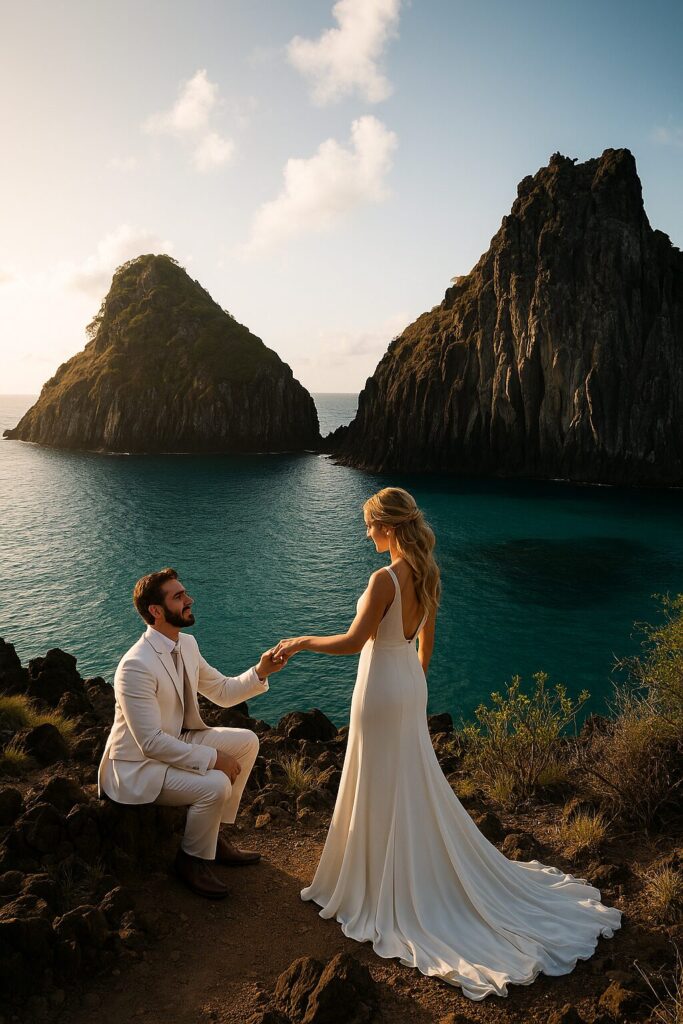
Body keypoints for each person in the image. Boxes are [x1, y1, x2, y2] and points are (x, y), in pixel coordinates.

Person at [272, 487, 622, 1001]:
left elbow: (352, 642)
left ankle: (377, 876)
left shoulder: (385, 579)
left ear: (389, 526)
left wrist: (299, 642)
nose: (367, 533)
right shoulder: (426, 571)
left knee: (378, 776)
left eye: (370, 525)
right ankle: (396, 867)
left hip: (380, 687)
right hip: (407, 683)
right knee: (407, 777)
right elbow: (425, 642)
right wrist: (413, 685)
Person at [98, 567, 286, 900]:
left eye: (185, 593)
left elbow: (222, 692)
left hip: (174, 741)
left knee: (247, 741)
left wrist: (261, 671)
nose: (190, 600)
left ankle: (212, 837)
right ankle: (190, 861)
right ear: (156, 611)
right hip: (137, 766)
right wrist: (213, 758)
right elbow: (149, 742)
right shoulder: (135, 665)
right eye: (179, 596)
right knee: (215, 784)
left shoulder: (186, 644)